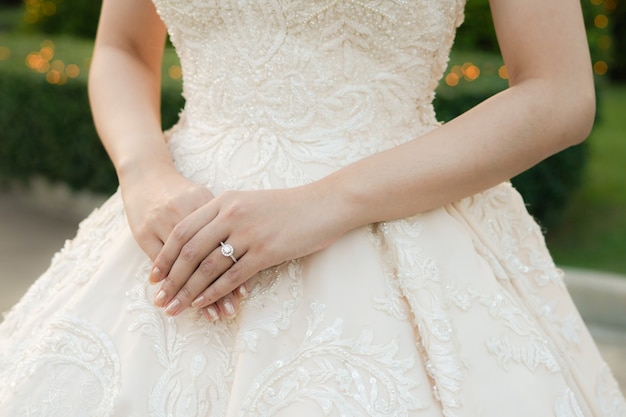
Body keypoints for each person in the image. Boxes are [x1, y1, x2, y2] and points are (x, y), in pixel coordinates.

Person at [0, 0, 625, 415]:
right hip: (173, 231)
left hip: (397, 231)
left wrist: (324, 204)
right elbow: (124, 49)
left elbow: (558, 91)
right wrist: (143, 176)